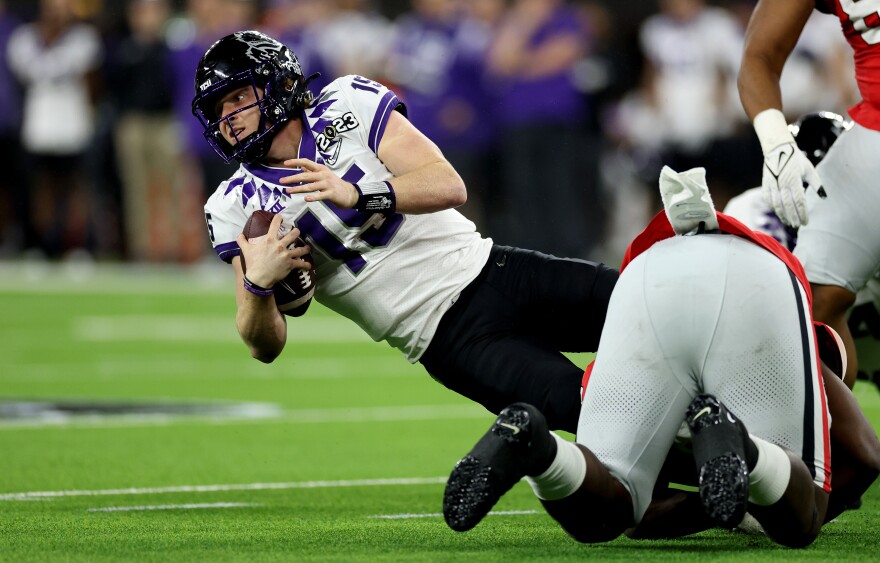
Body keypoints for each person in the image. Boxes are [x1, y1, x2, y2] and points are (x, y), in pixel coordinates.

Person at [192, 30, 618, 433]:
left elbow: (448, 185)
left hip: (495, 271)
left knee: (639, 302)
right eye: (218, 110)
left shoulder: (346, 101)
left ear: (278, 84)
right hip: (448, 338)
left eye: (238, 98)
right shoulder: (234, 205)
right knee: (594, 410)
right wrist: (258, 284)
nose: (228, 119)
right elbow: (263, 345)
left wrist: (358, 194)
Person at [443, 166, 839, 548]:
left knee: (609, 509)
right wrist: (737, 484)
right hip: (752, 276)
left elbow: (641, 519)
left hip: (646, 275)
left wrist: (715, 494)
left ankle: (539, 449)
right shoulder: (788, 352)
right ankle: (744, 447)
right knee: (803, 519)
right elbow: (864, 459)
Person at [738, 0, 880, 388]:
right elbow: (760, 54)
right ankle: (838, 441)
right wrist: (776, 142)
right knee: (806, 304)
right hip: (874, 135)